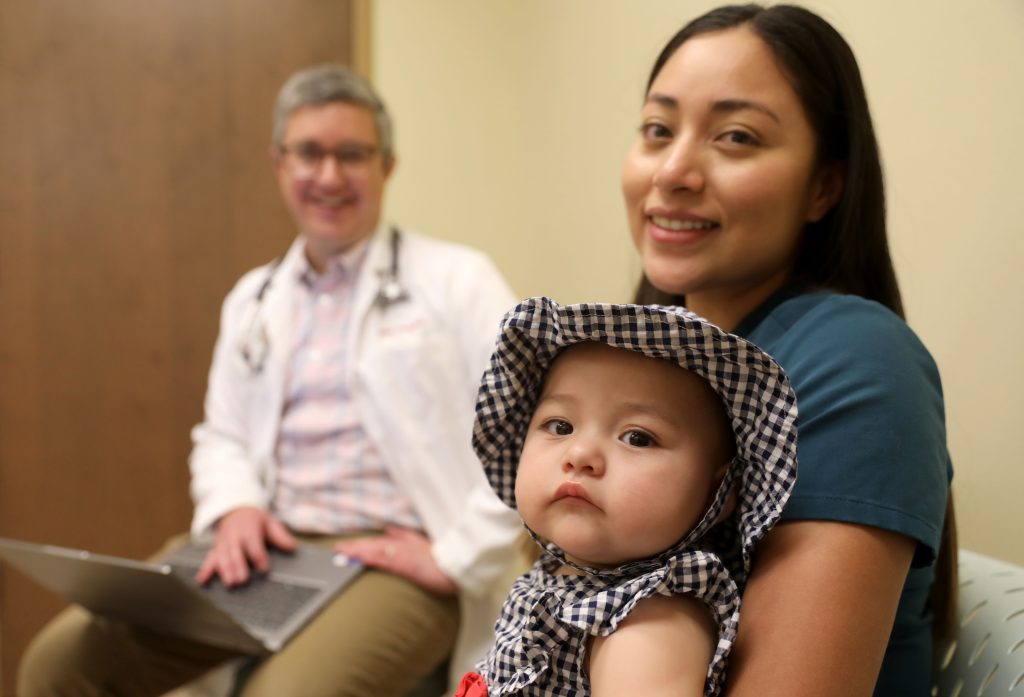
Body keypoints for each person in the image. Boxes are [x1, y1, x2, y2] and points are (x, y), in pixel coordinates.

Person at [17, 64, 523, 696]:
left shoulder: (459, 282)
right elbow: (222, 435)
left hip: (391, 562)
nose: (330, 176)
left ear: (387, 167)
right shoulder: (253, 299)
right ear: (279, 164)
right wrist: (236, 508)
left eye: (353, 155)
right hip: (270, 556)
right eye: (309, 153)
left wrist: (454, 558)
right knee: (58, 662)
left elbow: (528, 433)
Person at [623, 5, 954, 696]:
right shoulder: (646, 361)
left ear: (824, 186)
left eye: (736, 137)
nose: (674, 170)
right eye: (658, 129)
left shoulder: (857, 362)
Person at [454, 297, 799, 696]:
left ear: (719, 495)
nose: (580, 455)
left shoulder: (647, 619)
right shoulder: (562, 577)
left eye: (638, 437)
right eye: (560, 425)